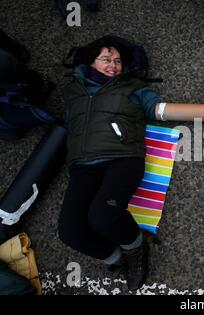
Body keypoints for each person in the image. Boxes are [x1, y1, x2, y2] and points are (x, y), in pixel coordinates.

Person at [58, 38, 163, 291]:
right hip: (83, 164)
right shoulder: (72, 87)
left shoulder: (132, 86)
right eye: (106, 59)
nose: (113, 65)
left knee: (103, 216)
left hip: (123, 158)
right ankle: (117, 257)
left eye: (117, 61)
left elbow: (157, 108)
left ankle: (136, 248)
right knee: (70, 232)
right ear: (90, 62)